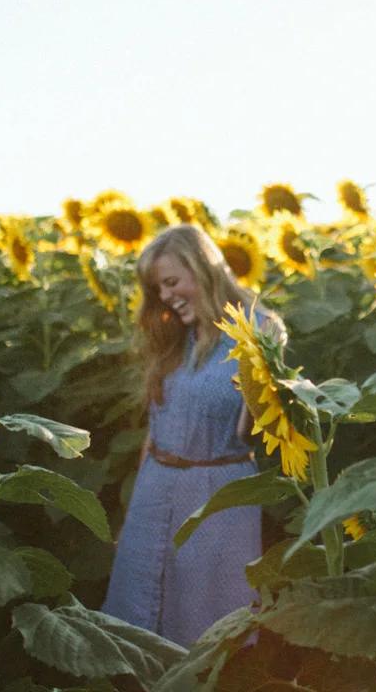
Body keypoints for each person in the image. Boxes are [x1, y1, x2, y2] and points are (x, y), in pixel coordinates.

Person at [101, 223, 278, 645]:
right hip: (154, 489)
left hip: (217, 498)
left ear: (202, 267)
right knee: (134, 629)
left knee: (208, 635)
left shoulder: (260, 328)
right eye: (157, 289)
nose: (165, 297)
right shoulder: (176, 337)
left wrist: (266, 376)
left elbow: (252, 430)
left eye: (171, 282)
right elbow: (156, 430)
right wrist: (130, 518)